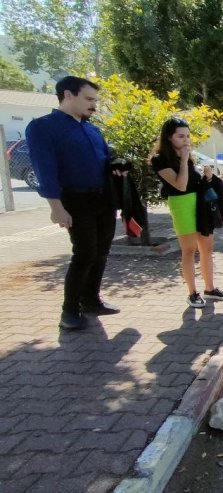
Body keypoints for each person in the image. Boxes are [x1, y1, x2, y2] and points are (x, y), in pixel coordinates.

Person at [26, 76, 124, 330]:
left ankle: (91, 301)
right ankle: (69, 311)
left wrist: (118, 165)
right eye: (89, 99)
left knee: (101, 252)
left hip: (103, 199)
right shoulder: (43, 127)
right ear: (68, 95)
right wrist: (56, 207)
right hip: (75, 199)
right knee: (85, 253)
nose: (94, 105)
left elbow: (106, 158)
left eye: (95, 100)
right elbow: (45, 169)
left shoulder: (92, 129)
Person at [150, 118, 223, 309]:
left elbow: (194, 183)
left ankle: (210, 289)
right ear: (169, 138)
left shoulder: (188, 156)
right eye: (180, 136)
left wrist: (208, 177)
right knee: (189, 250)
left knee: (207, 249)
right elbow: (180, 184)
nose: (186, 140)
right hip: (181, 205)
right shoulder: (160, 159)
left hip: (200, 205)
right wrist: (185, 160)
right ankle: (192, 293)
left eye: (187, 136)